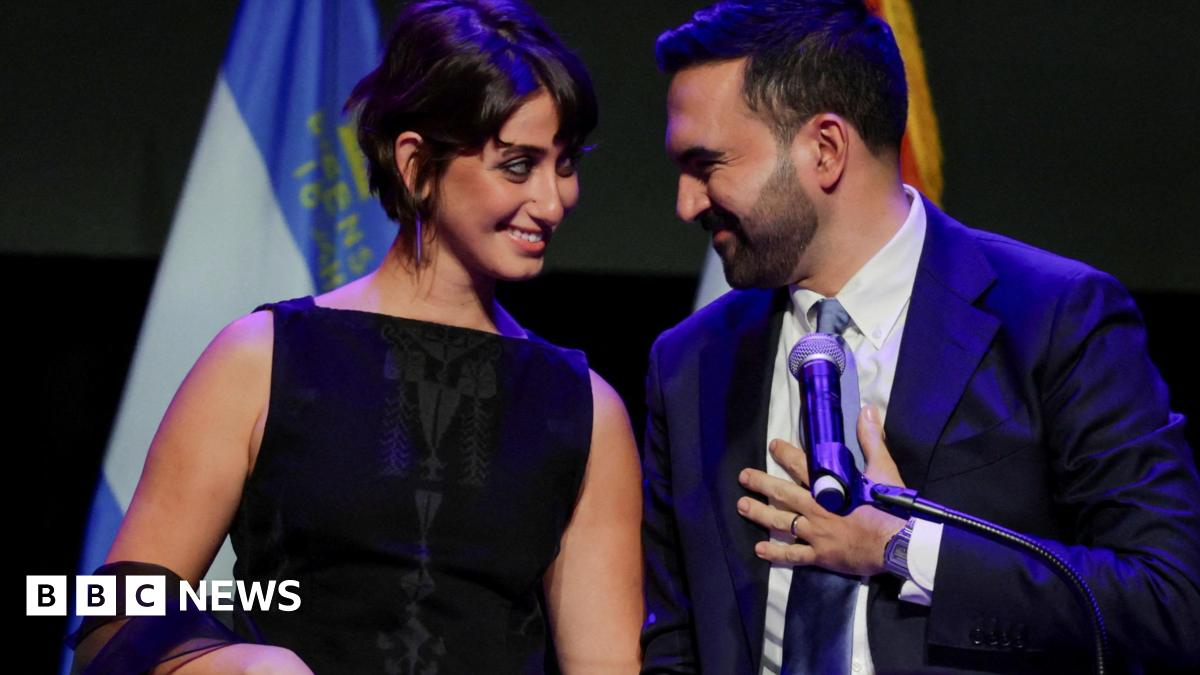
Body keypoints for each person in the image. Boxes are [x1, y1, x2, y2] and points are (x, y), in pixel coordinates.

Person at [69, 1, 642, 673]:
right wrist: (246, 667)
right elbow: (108, 626)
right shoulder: (261, 359)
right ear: (415, 162)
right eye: (518, 165)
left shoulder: (583, 409)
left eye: (565, 163)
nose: (553, 201)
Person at [640, 1, 1200, 673]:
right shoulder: (690, 362)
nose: (685, 203)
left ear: (825, 149)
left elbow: (1169, 600)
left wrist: (902, 547)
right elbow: (674, 640)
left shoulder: (1056, 318)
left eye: (707, 164)